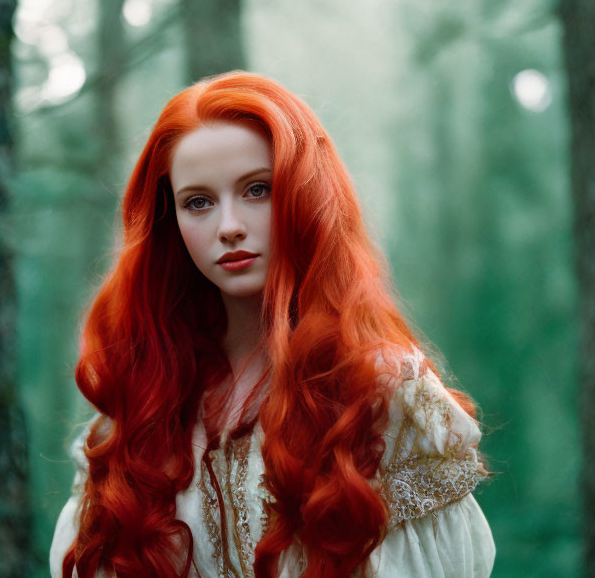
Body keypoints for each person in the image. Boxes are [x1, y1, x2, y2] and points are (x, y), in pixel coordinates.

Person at [50, 71, 496, 578]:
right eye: (198, 202)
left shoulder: (384, 391)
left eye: (258, 189)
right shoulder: (145, 398)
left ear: (305, 198)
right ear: (169, 222)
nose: (229, 225)